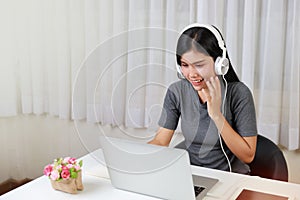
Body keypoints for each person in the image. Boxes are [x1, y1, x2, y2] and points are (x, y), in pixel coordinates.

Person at [148, 23, 257, 174]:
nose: (192, 74)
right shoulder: (177, 91)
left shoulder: (238, 93)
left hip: (229, 177)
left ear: (220, 63)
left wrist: (216, 115)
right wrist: (136, 156)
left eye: (199, 65)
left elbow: (248, 156)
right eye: (185, 65)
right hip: (190, 174)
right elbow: (161, 141)